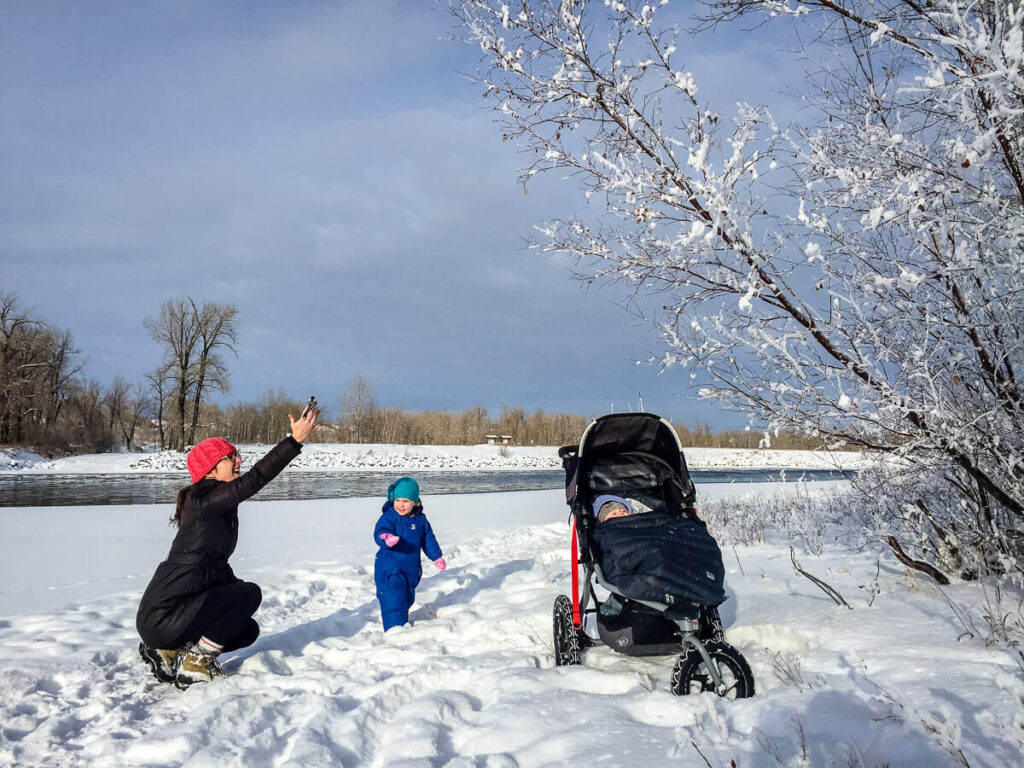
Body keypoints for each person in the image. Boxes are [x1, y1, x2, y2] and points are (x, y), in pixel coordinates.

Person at [136, 407, 319, 689]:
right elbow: (254, 479)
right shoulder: (202, 498)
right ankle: (195, 661)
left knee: (246, 629)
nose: (239, 460)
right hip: (163, 617)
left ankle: (169, 652)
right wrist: (293, 442)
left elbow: (214, 568)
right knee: (250, 594)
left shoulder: (211, 504)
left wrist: (235, 593)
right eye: (231, 457)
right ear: (211, 469)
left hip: (172, 617)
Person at [373, 476, 446, 631]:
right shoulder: (390, 517)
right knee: (393, 598)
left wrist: (436, 556)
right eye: (398, 500)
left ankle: (401, 621)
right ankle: (395, 631)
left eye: (406, 501)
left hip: (410, 569)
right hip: (390, 567)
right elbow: (380, 530)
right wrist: (386, 537)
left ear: (415, 502)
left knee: (406, 598)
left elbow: (428, 539)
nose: (401, 505)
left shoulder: (420, 520)